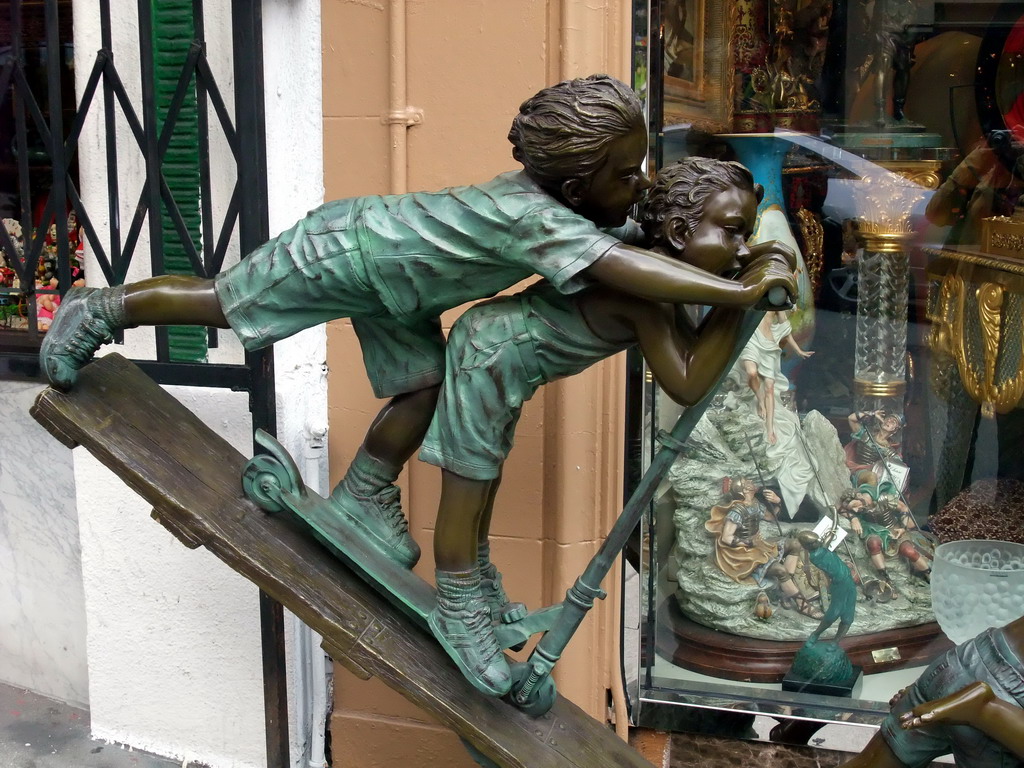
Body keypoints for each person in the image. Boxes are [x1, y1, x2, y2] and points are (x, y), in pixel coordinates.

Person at [40, 75, 796, 571]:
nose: (639, 188)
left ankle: (366, 494)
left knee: (422, 387)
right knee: (224, 300)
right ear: (575, 184)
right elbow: (629, 268)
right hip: (350, 252)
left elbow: (638, 251)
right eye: (626, 175)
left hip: (397, 291)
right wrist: (733, 294)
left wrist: (738, 255)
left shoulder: (561, 206)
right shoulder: (538, 217)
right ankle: (101, 309)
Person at [416, 157, 797, 695]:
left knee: (487, 480)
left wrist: (756, 263)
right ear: (681, 231)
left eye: (747, 236)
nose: (740, 249)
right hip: (490, 356)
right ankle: (458, 607)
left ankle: (476, 584)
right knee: (469, 484)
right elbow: (687, 381)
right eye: (734, 233)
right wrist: (749, 291)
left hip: (501, 356)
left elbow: (696, 343)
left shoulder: (664, 267)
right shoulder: (644, 290)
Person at [840, 615, 1024, 767]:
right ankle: (987, 708)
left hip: (964, 660)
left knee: (867, 763)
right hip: (1007, 706)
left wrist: (929, 688)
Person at [705, 476, 820, 619]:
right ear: (744, 490)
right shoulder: (737, 512)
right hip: (742, 553)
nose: (752, 483)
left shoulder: (756, 504)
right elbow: (726, 538)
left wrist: (777, 502)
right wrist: (748, 543)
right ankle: (803, 606)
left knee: (795, 544)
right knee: (780, 570)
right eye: (748, 483)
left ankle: (786, 592)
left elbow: (771, 517)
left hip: (758, 544)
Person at [739, 309, 813, 445]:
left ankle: (770, 429)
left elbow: (786, 330)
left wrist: (798, 350)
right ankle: (760, 400)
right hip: (752, 341)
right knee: (751, 373)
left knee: (769, 388)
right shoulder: (753, 295)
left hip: (769, 345)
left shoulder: (777, 300)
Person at [796, 529, 857, 644]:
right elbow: (826, 542)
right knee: (834, 613)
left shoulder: (821, 547)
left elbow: (833, 529)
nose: (818, 541)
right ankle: (815, 634)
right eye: (814, 541)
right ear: (808, 546)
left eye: (817, 539)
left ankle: (835, 642)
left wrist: (833, 511)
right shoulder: (815, 556)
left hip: (848, 581)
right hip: (839, 584)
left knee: (849, 615)